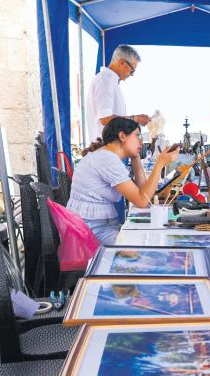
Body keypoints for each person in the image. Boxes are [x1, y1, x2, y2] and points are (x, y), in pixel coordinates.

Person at [67, 117, 179, 245]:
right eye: (137, 135)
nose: (141, 142)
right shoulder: (106, 159)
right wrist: (159, 164)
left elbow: (143, 194)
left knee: (146, 239)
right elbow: (142, 201)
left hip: (98, 225)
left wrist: (135, 157)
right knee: (144, 246)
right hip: (90, 230)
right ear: (122, 136)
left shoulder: (106, 156)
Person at [87, 44, 150, 143]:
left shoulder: (109, 80)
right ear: (122, 62)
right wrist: (135, 119)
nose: (131, 75)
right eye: (132, 70)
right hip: (106, 147)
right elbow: (105, 119)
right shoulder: (105, 80)